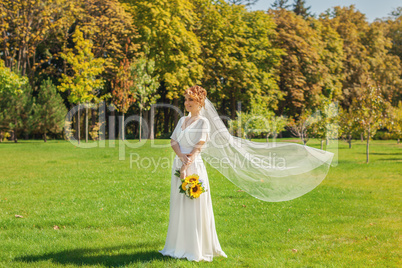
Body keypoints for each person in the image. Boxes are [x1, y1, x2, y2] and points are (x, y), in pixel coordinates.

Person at [159, 85, 228, 262]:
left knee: (193, 205)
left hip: (193, 166)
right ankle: (178, 245)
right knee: (179, 204)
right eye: (186, 99)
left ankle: (196, 247)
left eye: (191, 100)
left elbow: (200, 144)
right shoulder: (182, 120)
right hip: (180, 162)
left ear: (200, 102)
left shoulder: (203, 122)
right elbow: (174, 140)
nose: (186, 103)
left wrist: (186, 164)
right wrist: (180, 157)